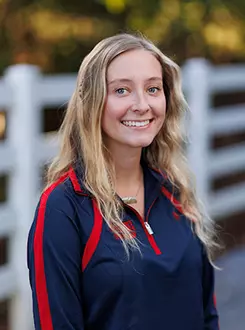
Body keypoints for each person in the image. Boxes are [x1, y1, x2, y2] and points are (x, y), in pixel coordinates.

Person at [27, 33, 219, 330]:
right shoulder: (63, 208)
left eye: (153, 88)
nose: (142, 104)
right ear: (92, 101)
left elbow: (207, 313)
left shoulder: (174, 191)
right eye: (122, 90)